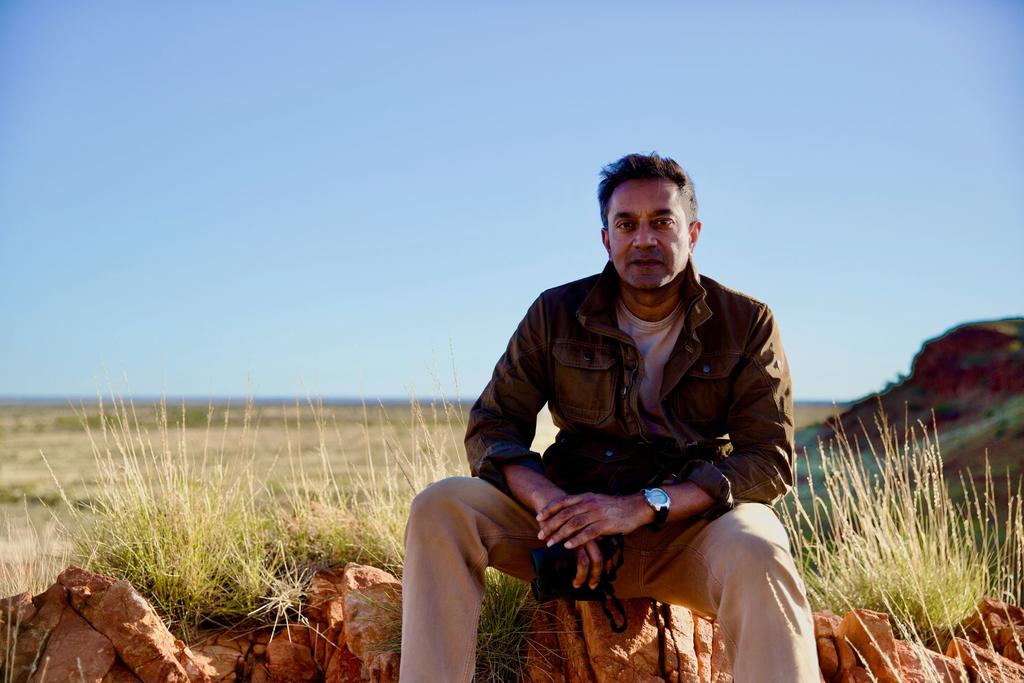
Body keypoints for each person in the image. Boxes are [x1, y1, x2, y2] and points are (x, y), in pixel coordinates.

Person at [400, 153, 819, 682]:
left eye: (661, 222)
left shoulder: (746, 322)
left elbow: (768, 461)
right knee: (441, 506)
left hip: (687, 534)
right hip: (569, 530)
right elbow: (494, 425)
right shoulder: (555, 313)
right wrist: (554, 507)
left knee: (760, 541)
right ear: (606, 238)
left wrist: (642, 506)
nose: (643, 238)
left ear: (692, 232)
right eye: (627, 224)